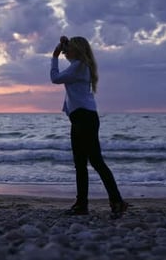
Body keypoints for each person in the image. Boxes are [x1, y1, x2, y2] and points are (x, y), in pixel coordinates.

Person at [50, 36, 128, 218]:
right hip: (83, 117)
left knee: (93, 162)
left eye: (68, 49)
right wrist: (62, 46)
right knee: (85, 163)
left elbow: (55, 78)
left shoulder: (78, 66)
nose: (65, 52)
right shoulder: (80, 65)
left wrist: (54, 56)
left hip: (84, 118)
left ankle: (113, 202)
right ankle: (86, 203)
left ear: (77, 50)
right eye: (64, 50)